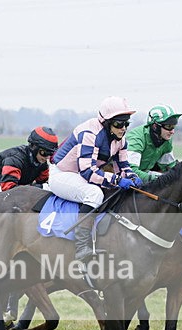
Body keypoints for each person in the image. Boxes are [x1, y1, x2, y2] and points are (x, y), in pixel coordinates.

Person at [50, 96, 141, 262]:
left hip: (81, 174)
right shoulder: (90, 133)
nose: (123, 129)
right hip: (62, 175)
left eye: (127, 124)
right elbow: (87, 172)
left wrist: (133, 177)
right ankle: (81, 246)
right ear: (106, 123)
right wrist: (117, 179)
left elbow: (124, 166)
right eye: (119, 124)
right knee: (94, 194)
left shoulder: (121, 140)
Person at [0, 126, 59, 197]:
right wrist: (38, 187)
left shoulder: (42, 164)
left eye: (50, 154)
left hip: (3, 185)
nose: (47, 157)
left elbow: (43, 184)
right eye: (44, 152)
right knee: (9, 197)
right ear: (34, 147)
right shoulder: (15, 159)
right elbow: (9, 190)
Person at [126, 104, 182, 182]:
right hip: (122, 176)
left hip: (143, 172)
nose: (172, 132)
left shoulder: (166, 139)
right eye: (169, 127)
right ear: (155, 126)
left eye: (173, 127)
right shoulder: (137, 138)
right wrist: (158, 179)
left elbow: (169, 166)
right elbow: (130, 171)